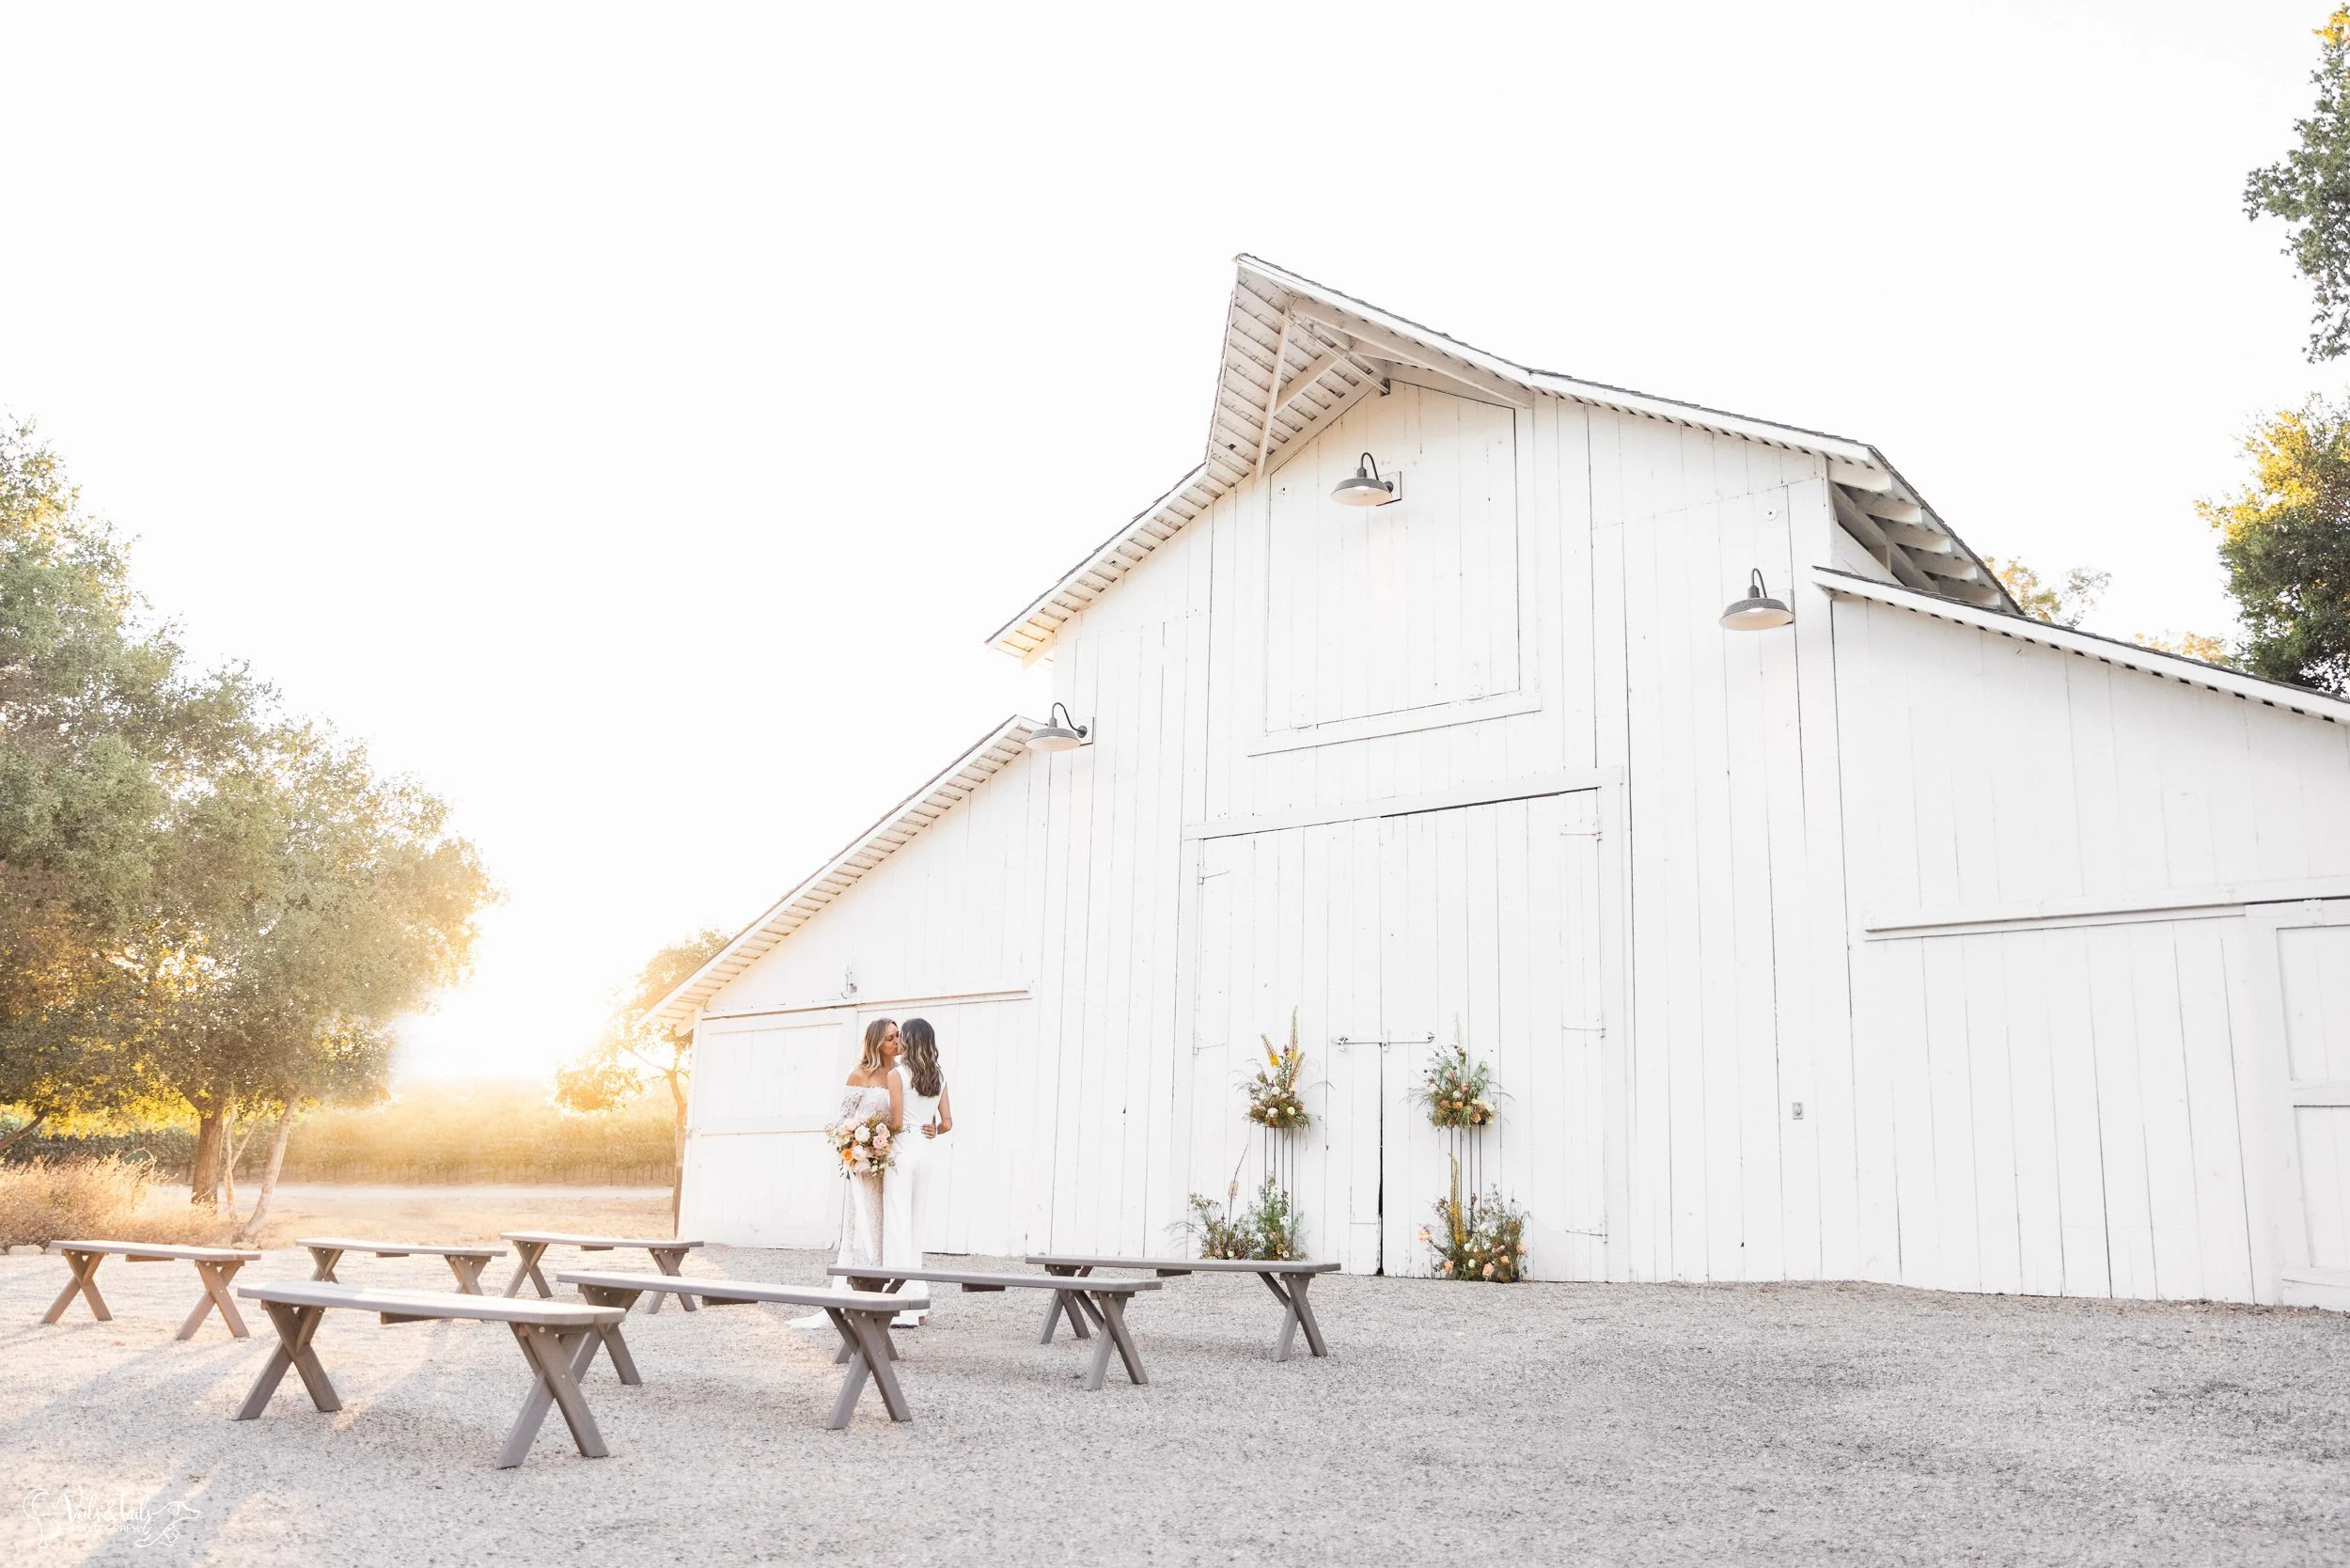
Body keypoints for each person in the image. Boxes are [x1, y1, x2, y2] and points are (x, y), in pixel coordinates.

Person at [793, 1017, 927, 1328]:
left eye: (899, 1037)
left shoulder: (901, 1075)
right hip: (864, 1163)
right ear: (877, 1043)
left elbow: (913, 1112)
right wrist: (856, 1146)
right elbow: (840, 1121)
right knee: (865, 1226)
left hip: (891, 1162)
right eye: (891, 1038)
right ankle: (857, 1293)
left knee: (889, 1226)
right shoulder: (859, 1075)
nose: (898, 1042)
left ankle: (890, 1292)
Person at [893, 1017, 954, 1325]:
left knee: (898, 1225)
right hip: (924, 1153)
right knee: (915, 1227)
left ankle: (900, 1306)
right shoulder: (939, 1075)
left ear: (908, 1040)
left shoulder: (898, 1074)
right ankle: (917, 1307)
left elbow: (893, 1123)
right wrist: (931, 1129)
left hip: (901, 1153)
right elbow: (946, 1123)